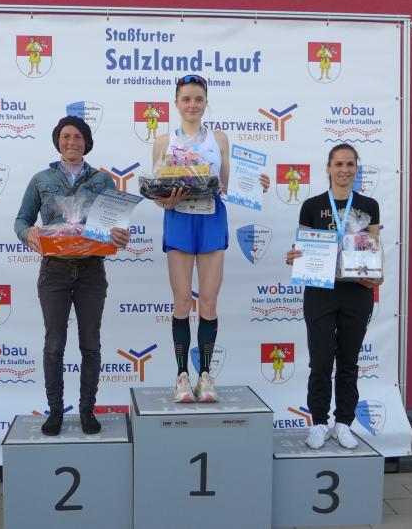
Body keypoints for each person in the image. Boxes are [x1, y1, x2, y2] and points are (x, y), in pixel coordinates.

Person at [152, 75, 269, 404]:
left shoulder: (219, 139)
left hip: (211, 219)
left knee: (208, 303)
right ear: (176, 104)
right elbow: (157, 193)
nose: (192, 105)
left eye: (198, 99)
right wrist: (167, 201)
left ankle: (205, 375)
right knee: (181, 301)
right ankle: (181, 376)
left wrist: (255, 184)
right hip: (179, 220)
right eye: (186, 99)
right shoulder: (163, 141)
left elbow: (228, 184)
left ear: (205, 103)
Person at [15, 116, 130, 436]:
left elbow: (116, 226)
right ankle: (55, 412)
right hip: (54, 271)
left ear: (86, 142)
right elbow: (21, 220)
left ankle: (86, 411)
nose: (71, 142)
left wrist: (121, 236)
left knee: (90, 344)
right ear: (57, 141)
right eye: (65, 136)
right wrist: (28, 234)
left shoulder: (103, 180)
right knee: (54, 344)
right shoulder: (41, 179)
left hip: (91, 270)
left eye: (78, 137)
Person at [285, 143, 382, 449]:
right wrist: (294, 258)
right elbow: (301, 249)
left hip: (356, 293)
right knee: (321, 362)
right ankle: (318, 422)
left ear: (356, 169)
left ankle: (343, 424)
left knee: (349, 362)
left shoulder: (369, 205)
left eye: (350, 164)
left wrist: (375, 273)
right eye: (338, 164)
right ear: (328, 168)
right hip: (320, 294)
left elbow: (374, 249)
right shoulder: (312, 205)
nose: (344, 170)